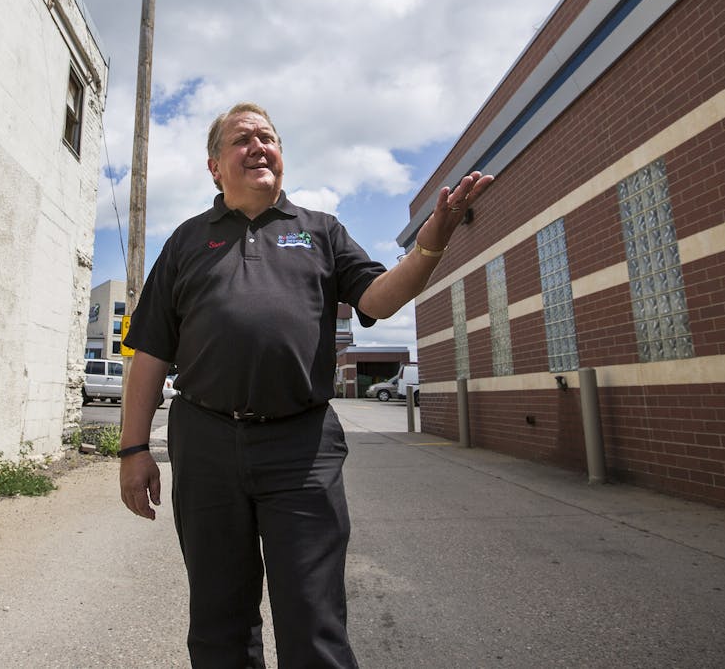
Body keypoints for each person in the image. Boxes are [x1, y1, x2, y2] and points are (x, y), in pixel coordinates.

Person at [118, 102, 492, 668]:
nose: (258, 146)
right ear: (214, 166)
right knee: (219, 618)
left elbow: (379, 298)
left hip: (302, 447)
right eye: (242, 139)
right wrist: (134, 448)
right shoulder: (187, 242)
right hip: (206, 443)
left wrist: (432, 244)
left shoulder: (321, 231)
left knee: (313, 618)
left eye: (268, 137)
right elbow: (148, 353)